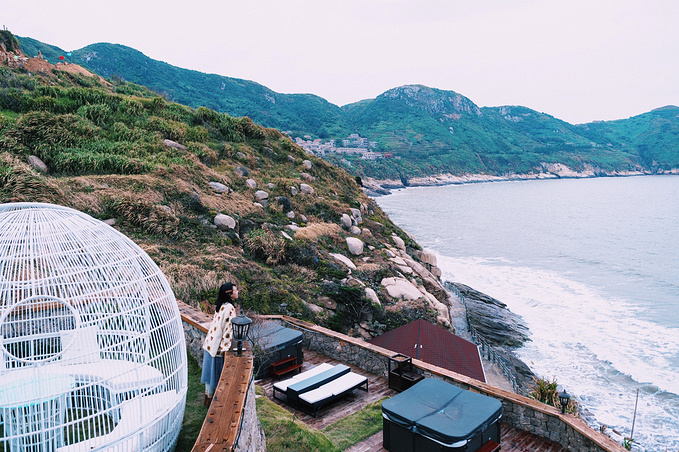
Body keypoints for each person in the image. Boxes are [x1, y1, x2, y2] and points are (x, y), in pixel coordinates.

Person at [200, 282, 238, 406]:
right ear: (229, 294)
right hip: (216, 346)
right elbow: (228, 329)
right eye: (235, 290)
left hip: (210, 343)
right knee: (215, 376)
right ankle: (216, 404)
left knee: (209, 377)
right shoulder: (230, 308)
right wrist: (225, 347)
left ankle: (208, 399)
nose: (237, 292)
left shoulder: (221, 305)